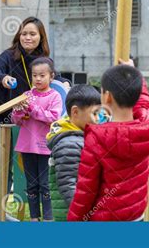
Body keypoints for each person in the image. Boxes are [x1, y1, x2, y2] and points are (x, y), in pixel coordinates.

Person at [0, 17, 68, 221]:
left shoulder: (43, 59)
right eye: (24, 33)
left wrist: (65, 84)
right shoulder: (9, 56)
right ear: (18, 35)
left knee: (8, 165)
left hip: (21, 118)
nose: (27, 37)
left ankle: (1, 209)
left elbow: (57, 78)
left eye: (32, 34)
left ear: (41, 37)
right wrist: (3, 79)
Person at [67, 61, 149, 221]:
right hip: (136, 214)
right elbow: (144, 102)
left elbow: (86, 190)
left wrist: (73, 220)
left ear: (107, 96)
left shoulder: (97, 138)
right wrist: (132, 72)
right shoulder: (148, 126)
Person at [11, 57, 62, 221]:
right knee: (31, 185)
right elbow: (16, 121)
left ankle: (48, 217)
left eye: (42, 75)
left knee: (45, 184)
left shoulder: (55, 96)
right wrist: (19, 112)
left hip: (45, 147)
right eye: (35, 75)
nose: (38, 79)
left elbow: (53, 117)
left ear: (51, 76)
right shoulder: (26, 95)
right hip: (27, 147)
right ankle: (34, 217)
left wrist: (32, 109)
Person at [46, 84, 101, 221]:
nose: (98, 119)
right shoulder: (68, 144)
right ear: (75, 112)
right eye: (94, 114)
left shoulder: (77, 137)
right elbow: (68, 184)